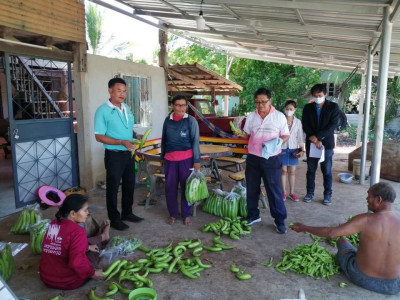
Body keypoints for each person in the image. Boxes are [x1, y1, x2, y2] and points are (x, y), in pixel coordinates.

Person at [290, 182, 400, 295]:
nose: (366, 198)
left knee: (341, 240)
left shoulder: (365, 220)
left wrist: (303, 227)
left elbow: (331, 233)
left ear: (378, 200)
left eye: (369, 195)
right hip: (394, 285)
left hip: (363, 278)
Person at [94, 77, 143, 231]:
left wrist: (135, 136)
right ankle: (114, 219)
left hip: (128, 154)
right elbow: (99, 136)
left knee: (129, 185)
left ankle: (127, 213)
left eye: (124, 91)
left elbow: (127, 128)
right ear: (110, 91)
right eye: (118, 90)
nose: (122, 94)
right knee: (113, 188)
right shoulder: (102, 110)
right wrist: (121, 142)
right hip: (114, 154)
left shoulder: (126, 108)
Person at [239, 88, 290, 233]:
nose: (260, 105)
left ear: (270, 101)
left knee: (273, 190)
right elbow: (247, 135)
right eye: (257, 102)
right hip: (253, 157)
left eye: (263, 102)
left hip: (272, 158)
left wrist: (275, 142)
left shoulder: (279, 116)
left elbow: (286, 135)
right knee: (252, 188)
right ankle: (253, 215)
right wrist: (239, 134)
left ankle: (280, 220)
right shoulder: (251, 117)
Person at [39, 194, 109, 290]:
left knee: (88, 247)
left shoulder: (53, 224)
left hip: (46, 278)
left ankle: (100, 238)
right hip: (68, 282)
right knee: (93, 255)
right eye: (85, 210)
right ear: (72, 213)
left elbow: (61, 245)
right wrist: (93, 273)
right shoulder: (78, 231)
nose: (87, 213)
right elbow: (76, 263)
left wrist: (87, 247)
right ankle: (103, 237)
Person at [160, 94, 201, 225]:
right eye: (178, 105)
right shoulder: (168, 120)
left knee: (186, 187)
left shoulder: (191, 121)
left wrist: (196, 160)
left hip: (186, 160)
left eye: (184, 105)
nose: (181, 108)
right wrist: (162, 157)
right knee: (170, 187)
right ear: (172, 106)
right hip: (170, 160)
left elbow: (195, 141)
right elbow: (164, 140)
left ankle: (186, 214)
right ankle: (172, 214)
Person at [301, 83, 340, 205]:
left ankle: (327, 195)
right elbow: (305, 124)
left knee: (327, 171)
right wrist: (314, 139)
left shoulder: (333, 107)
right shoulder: (308, 108)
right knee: (311, 170)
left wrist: (318, 137)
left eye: (320, 95)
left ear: (325, 95)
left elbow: (332, 125)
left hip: (326, 144)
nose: (317, 97)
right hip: (312, 144)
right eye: (315, 95)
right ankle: (309, 193)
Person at [279, 100, 305, 202]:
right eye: (287, 109)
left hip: (294, 149)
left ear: (295, 110)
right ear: (284, 109)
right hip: (282, 148)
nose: (289, 111)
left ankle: (292, 193)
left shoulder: (298, 122)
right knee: (283, 171)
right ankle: (284, 193)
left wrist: (302, 150)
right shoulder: (280, 120)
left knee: (292, 172)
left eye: (291, 109)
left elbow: (300, 137)